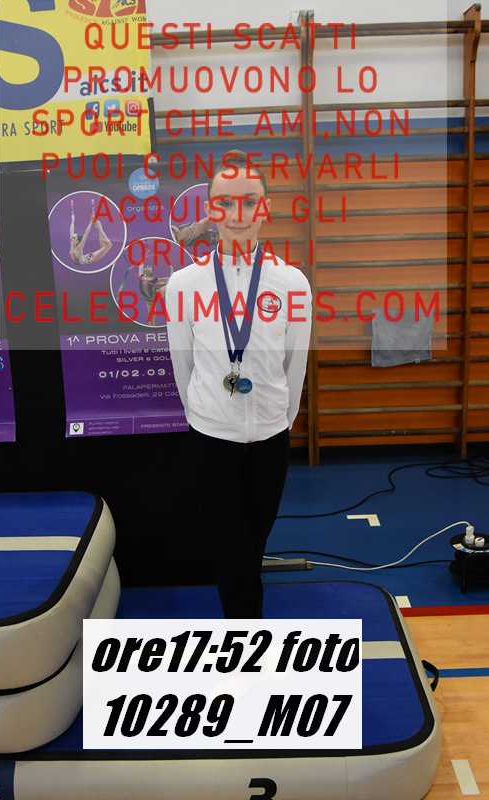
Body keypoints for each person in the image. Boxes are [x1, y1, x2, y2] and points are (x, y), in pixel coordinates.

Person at [165, 150, 312, 618]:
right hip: (212, 436)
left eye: (249, 201)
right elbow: (182, 363)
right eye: (225, 202)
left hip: (270, 436)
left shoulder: (292, 283)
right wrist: (205, 416)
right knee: (231, 550)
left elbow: (295, 364)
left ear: (263, 208)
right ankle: (247, 635)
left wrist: (278, 419)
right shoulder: (184, 285)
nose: (237, 213)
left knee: (252, 543)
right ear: (212, 210)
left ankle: (245, 625)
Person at [69, 198, 112, 266]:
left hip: (89, 259)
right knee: (108, 244)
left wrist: (91, 222)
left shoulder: (77, 247)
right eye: (73, 237)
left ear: (77, 241)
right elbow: (72, 231)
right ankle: (99, 226)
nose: (71, 238)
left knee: (108, 245)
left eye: (73, 238)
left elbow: (86, 234)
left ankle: (99, 226)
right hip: (89, 259)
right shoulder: (74, 244)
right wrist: (72, 220)